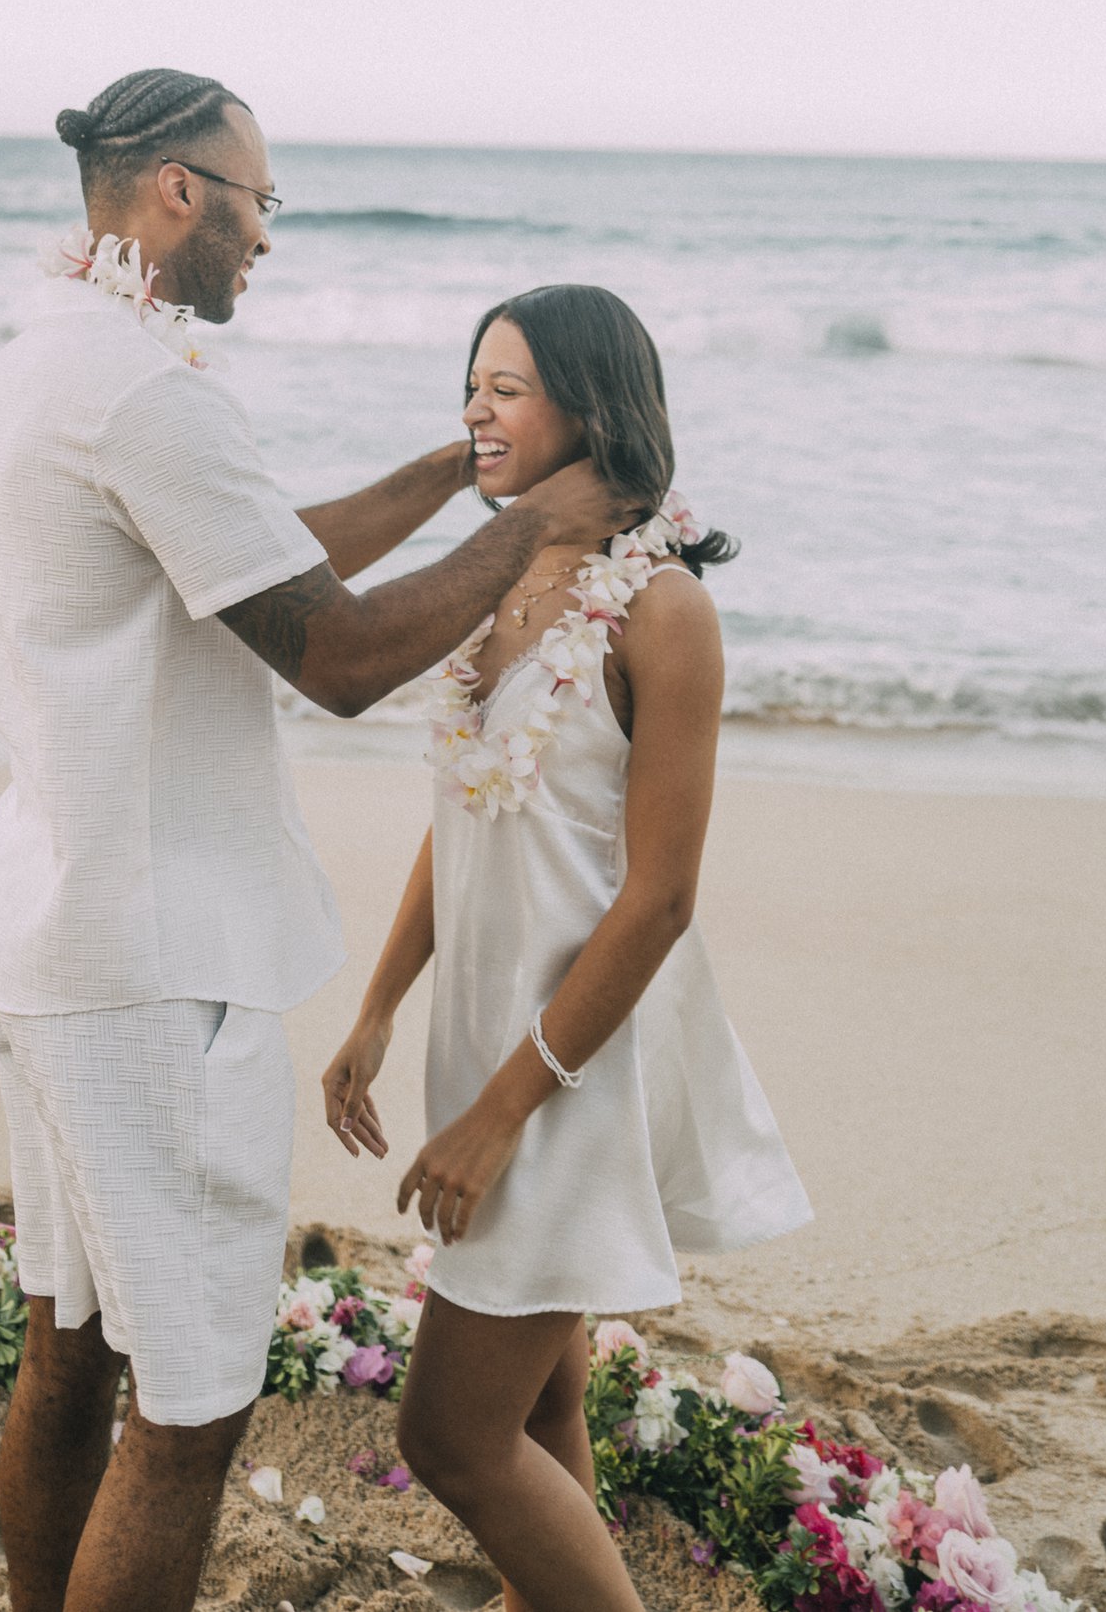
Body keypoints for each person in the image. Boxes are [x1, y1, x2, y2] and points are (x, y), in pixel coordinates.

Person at [0, 70, 621, 1612]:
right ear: (182, 188)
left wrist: (457, 472)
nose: (267, 234)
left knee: (70, 1343)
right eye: (261, 200)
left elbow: (264, 555)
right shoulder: (149, 393)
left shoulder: (51, 358)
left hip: (43, 927)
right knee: (188, 1414)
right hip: (151, 967)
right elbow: (337, 655)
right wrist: (533, 525)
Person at [321, 285, 812, 1612]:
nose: (476, 409)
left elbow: (660, 901)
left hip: (570, 1070)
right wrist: (380, 1006)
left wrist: (501, 1111)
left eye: (508, 387)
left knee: (449, 1437)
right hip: (480, 1036)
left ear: (589, 409)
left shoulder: (664, 611)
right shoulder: (497, 582)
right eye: (470, 383)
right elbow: (468, 818)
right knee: (538, 1410)